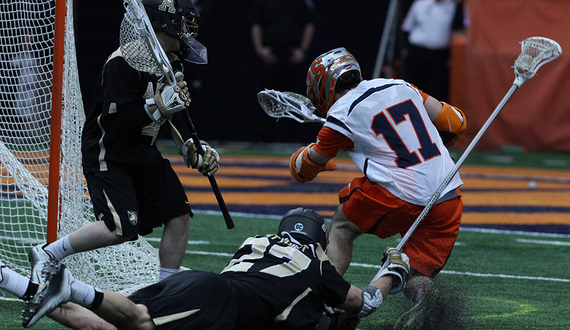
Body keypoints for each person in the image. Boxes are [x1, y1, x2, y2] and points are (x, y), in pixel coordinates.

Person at [29, 0, 219, 284]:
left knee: (178, 215)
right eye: (183, 22)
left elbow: (176, 111)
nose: (188, 30)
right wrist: (156, 108)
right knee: (121, 229)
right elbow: (115, 125)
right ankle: (48, 253)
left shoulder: (171, 61)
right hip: (109, 154)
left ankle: (164, 291)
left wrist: (191, 146)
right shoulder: (123, 61)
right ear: (165, 23)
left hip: (143, 153)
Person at [8, 208, 410, 329]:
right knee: (140, 322)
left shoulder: (256, 241)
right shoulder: (317, 265)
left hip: (201, 288)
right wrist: (393, 272)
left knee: (119, 328)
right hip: (219, 302)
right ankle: (75, 289)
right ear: (319, 242)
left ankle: (15, 283)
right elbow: (366, 302)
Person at [289, 48, 466, 323]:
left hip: (400, 195)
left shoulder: (339, 115)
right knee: (416, 274)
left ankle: (325, 298)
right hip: (447, 194)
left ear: (324, 86)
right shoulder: (400, 85)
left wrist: (305, 157)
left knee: (342, 227)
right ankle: (428, 307)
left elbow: (303, 170)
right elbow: (456, 122)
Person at [250, 0, 318, 143]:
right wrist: (260, 49)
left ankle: (292, 142)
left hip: (292, 56)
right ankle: (263, 141)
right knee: (266, 97)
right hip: (270, 54)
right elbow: (256, 23)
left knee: (294, 99)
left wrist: (303, 50)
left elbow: (309, 22)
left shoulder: (302, 3)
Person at [400, 0, 465, 101]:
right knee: (413, 90)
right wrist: (405, 50)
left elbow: (458, 28)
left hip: (439, 56)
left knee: (437, 92)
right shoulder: (420, 3)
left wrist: (457, 6)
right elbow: (407, 27)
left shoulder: (453, 6)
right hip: (416, 53)